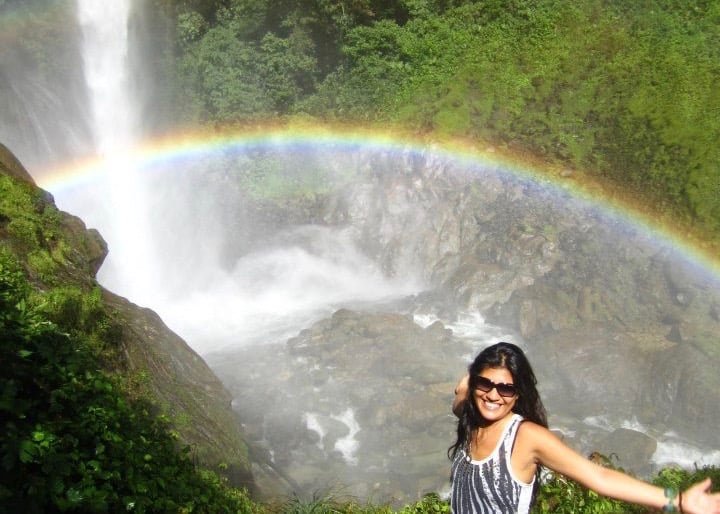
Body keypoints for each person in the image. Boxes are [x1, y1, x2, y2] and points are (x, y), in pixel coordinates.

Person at [449, 341, 720, 514]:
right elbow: (461, 394)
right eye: (485, 384)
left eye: (506, 388)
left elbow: (599, 478)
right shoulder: (471, 417)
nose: (494, 396)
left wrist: (678, 502)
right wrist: (470, 383)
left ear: (519, 394)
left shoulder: (526, 437)